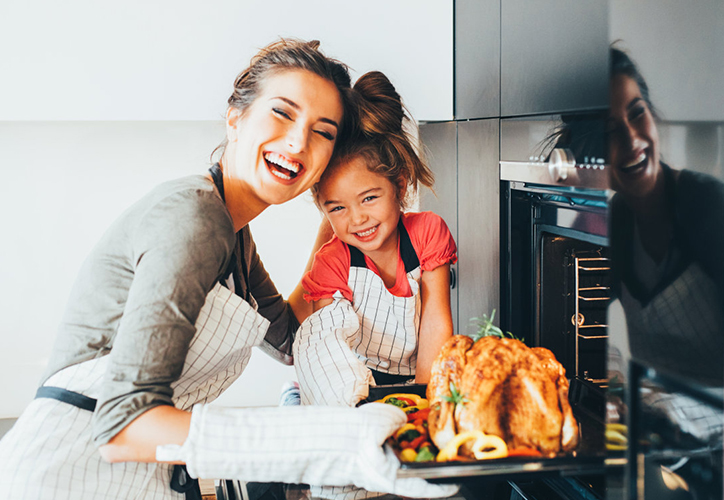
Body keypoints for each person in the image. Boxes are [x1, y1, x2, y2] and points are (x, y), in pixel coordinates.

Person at [0, 39, 456, 500]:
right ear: (235, 117)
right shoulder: (193, 219)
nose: (299, 141)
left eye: (323, 132)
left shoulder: (234, 233)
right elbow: (123, 426)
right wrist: (327, 438)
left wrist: (339, 228)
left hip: (142, 478)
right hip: (67, 474)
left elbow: (291, 338)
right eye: (282, 113)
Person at [292, 71, 457, 407]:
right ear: (322, 209)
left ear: (400, 184)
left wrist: (424, 401)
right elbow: (329, 348)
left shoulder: (427, 234)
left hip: (413, 381)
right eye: (337, 207)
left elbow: (436, 321)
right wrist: (360, 408)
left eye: (369, 198)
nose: (358, 219)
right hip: (352, 387)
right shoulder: (332, 262)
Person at [605, 47, 724, 388]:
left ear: (653, 117)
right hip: (654, 424)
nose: (632, 139)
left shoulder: (708, 203)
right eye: (610, 131)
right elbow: (586, 315)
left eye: (637, 114)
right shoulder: (617, 218)